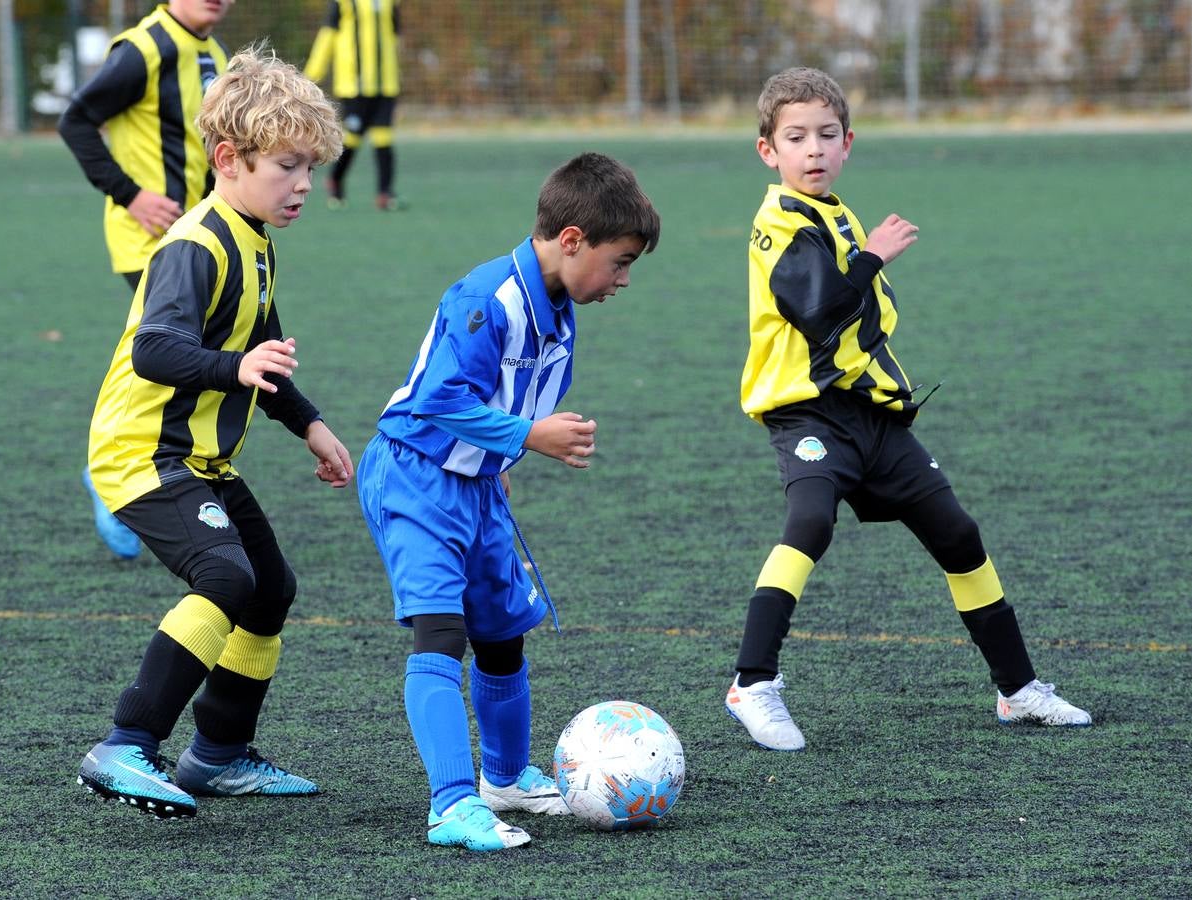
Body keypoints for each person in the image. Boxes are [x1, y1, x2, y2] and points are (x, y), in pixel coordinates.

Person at [726, 67, 1091, 752]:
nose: (813, 150)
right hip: (808, 418)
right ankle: (752, 682)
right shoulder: (777, 224)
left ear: (847, 143)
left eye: (826, 136)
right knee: (809, 520)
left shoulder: (832, 211)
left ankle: (1016, 691)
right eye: (795, 137)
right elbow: (816, 313)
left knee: (957, 534)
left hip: (872, 419)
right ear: (766, 151)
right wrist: (868, 259)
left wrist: (862, 258)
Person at [76, 46, 350, 819]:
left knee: (270, 591)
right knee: (226, 579)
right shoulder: (196, 245)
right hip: (141, 453)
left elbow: (262, 356)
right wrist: (235, 367)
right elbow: (155, 351)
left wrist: (311, 425)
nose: (302, 184)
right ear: (229, 159)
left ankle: (218, 757)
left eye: (309, 167)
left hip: (198, 457)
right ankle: (125, 743)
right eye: (287, 167)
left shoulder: (254, 239)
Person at [357, 153, 660, 850]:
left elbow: (503, 395)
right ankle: (451, 804)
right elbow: (438, 399)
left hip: (476, 485)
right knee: (442, 634)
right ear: (573, 239)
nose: (622, 280)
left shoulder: (560, 307)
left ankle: (504, 779)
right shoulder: (488, 297)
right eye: (618, 262)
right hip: (415, 476)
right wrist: (528, 435)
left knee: (501, 636)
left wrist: (501, 459)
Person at [59, 0, 233, 560]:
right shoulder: (143, 50)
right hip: (150, 242)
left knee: (193, 358)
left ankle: (156, 478)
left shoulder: (214, 53)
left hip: (199, 238)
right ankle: (115, 481)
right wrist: (130, 194)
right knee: (172, 357)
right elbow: (76, 120)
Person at [303, 0, 404, 211]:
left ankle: (385, 193)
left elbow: (395, 37)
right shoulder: (343, 3)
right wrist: (311, 76)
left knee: (384, 137)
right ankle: (336, 182)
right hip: (353, 86)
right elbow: (327, 37)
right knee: (352, 138)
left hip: (385, 84)